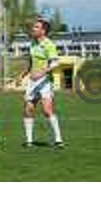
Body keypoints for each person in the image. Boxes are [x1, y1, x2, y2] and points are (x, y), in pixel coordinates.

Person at [22, 18, 64, 148]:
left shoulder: (48, 44)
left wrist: (42, 73)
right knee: (28, 109)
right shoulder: (33, 43)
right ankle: (29, 141)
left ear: (43, 31)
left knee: (47, 110)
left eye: (36, 27)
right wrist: (25, 72)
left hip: (45, 82)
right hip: (32, 82)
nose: (33, 29)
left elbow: (55, 63)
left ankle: (58, 139)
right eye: (34, 27)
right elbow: (31, 60)